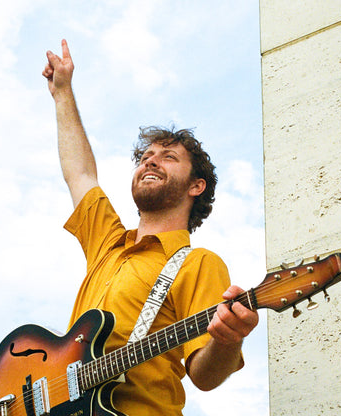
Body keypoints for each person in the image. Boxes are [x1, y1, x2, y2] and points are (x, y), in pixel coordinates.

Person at [42, 39, 259, 415]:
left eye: (168, 157)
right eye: (145, 157)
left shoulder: (198, 264)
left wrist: (228, 341)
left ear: (196, 186)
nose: (151, 162)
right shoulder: (107, 242)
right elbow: (79, 173)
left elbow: (204, 376)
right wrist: (62, 94)